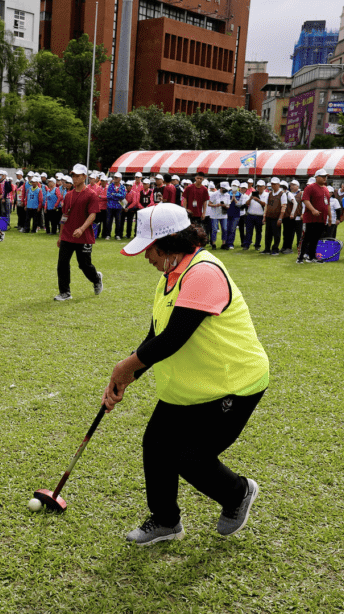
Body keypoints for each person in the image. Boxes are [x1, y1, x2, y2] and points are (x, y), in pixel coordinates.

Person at [104, 202, 268, 546]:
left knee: (190, 457)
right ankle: (165, 521)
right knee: (157, 445)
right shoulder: (171, 276)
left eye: (148, 250)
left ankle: (238, 493)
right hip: (192, 384)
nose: (146, 258)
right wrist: (126, 378)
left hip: (233, 383)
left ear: (167, 245)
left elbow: (174, 338)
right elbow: (155, 336)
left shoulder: (203, 272)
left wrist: (123, 367)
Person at [54, 163, 104, 301]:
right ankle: (65, 292)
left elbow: (93, 214)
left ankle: (96, 278)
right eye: (73, 176)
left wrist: (82, 229)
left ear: (84, 177)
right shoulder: (68, 195)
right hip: (67, 235)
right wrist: (61, 236)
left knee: (84, 265)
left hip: (83, 236)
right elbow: (64, 217)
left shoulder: (91, 195)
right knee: (62, 263)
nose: (74, 179)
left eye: (77, 176)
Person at [297, 170, 331, 264]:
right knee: (307, 237)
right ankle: (300, 257)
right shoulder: (310, 187)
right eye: (323, 176)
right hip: (311, 218)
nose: (325, 178)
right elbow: (305, 200)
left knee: (316, 238)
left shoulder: (326, 189)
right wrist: (313, 210)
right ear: (317, 177)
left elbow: (327, 204)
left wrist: (330, 217)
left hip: (321, 218)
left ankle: (312, 257)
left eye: (326, 176)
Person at [261, 177, 287, 255]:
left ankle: (275, 249)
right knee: (267, 234)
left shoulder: (282, 194)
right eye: (272, 184)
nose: (273, 186)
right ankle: (267, 248)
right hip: (269, 216)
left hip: (276, 217)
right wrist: (264, 216)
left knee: (276, 234)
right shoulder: (269, 194)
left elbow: (283, 206)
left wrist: (280, 218)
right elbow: (266, 205)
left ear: (278, 185)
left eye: (274, 184)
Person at [281, 180, 302, 255]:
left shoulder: (300, 194)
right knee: (287, 233)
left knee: (298, 234)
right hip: (289, 216)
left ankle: (293, 248)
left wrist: (293, 213)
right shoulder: (287, 194)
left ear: (297, 186)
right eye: (291, 185)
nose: (291, 186)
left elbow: (299, 204)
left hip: (297, 217)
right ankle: (285, 246)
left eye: (293, 185)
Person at [106, 172, 127, 239]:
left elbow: (123, 196)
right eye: (114, 177)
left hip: (118, 206)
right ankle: (108, 235)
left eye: (116, 177)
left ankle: (117, 235)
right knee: (109, 221)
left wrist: (114, 194)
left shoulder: (122, 187)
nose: (115, 179)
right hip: (110, 206)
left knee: (118, 221)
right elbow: (108, 196)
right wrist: (117, 196)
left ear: (120, 179)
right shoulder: (110, 186)